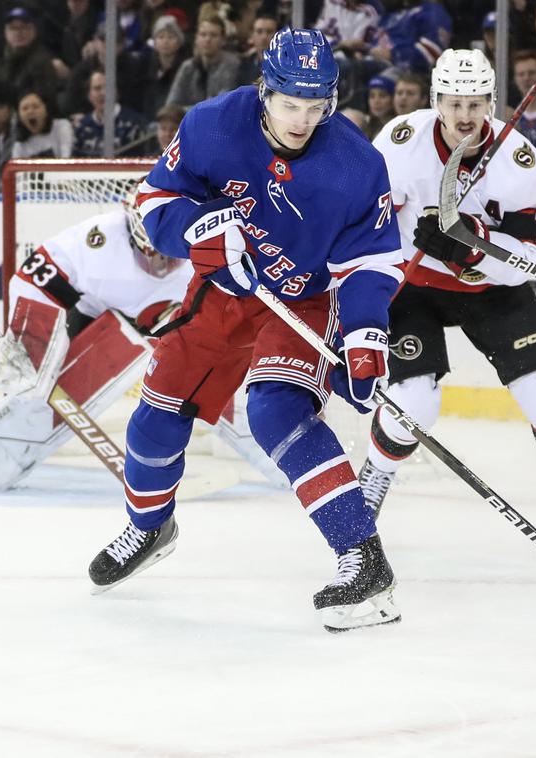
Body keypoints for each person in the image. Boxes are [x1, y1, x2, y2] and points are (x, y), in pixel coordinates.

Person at [86, 28, 406, 634]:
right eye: (291, 105)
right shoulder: (212, 124)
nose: (303, 120)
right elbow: (154, 203)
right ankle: (150, 526)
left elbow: (372, 262)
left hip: (306, 299)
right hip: (223, 291)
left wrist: (364, 337)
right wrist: (202, 231)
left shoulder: (357, 164)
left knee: (276, 412)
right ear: (265, 91)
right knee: (156, 416)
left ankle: (365, 563)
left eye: (317, 107)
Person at [364, 49, 536, 525]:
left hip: (490, 288)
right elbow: (368, 221)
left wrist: (471, 247)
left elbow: (533, 261)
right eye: (454, 103)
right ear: (435, 101)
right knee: (414, 402)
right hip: (413, 286)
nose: (465, 116)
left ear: (491, 102)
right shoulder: (401, 143)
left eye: (475, 103)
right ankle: (373, 480)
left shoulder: (521, 164)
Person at [0, 195, 191, 492]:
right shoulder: (100, 237)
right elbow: (34, 280)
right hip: (93, 316)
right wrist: (31, 349)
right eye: (153, 254)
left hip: (163, 329)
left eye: (171, 257)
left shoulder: (207, 250)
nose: (162, 266)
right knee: (30, 395)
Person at [72, 70, 152, 157]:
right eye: (97, 88)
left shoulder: (135, 123)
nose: (103, 93)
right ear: (89, 95)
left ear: (116, 93)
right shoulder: (81, 127)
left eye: (108, 88)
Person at [166, 16, 241, 107]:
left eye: (213, 35)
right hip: (188, 118)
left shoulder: (232, 65)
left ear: (223, 40)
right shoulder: (188, 67)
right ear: (196, 39)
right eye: (203, 34)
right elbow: (172, 103)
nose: (207, 39)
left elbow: (223, 104)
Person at [11, 90, 73, 160]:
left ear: (46, 110)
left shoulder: (61, 126)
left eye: (36, 107)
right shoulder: (19, 144)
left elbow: (66, 159)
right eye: (25, 108)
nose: (30, 111)